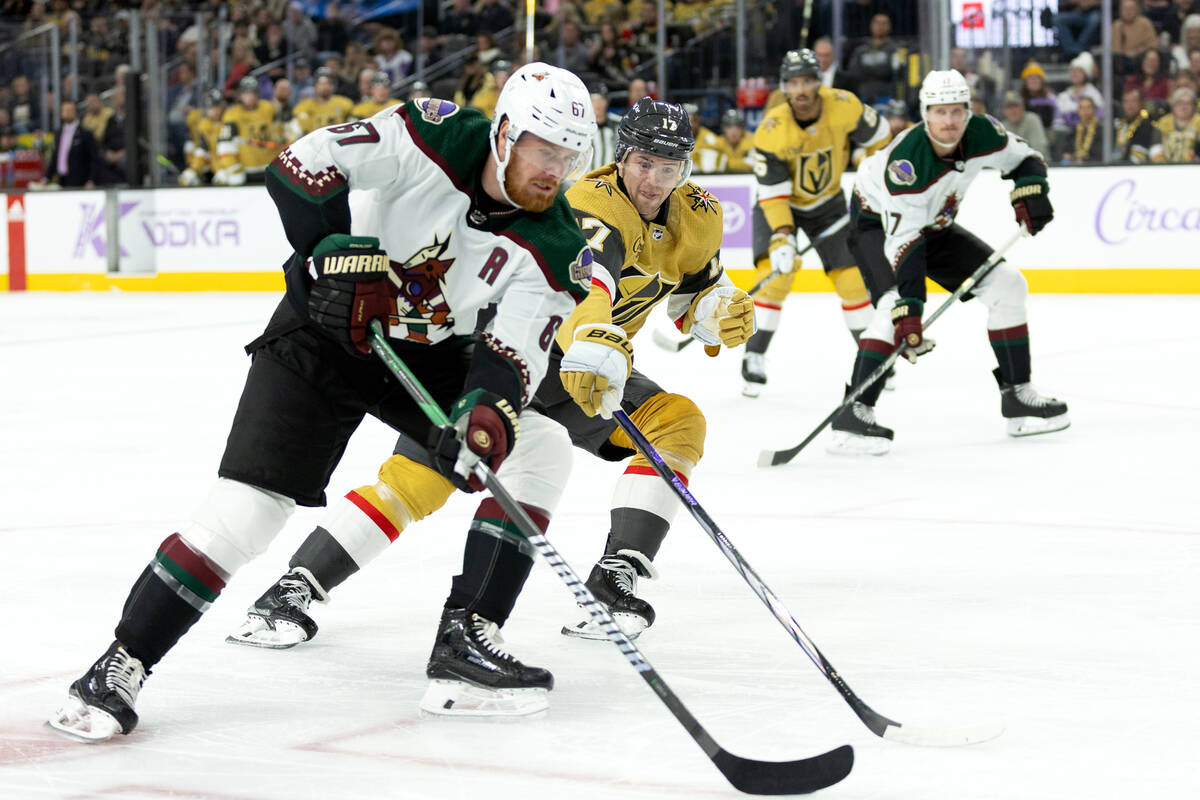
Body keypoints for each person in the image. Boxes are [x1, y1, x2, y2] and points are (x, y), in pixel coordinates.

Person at [47, 62, 598, 741]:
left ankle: (465, 645)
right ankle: (119, 665)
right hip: (320, 334)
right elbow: (301, 165)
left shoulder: (558, 246)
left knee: (537, 444)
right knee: (245, 514)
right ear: (507, 135)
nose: (558, 170)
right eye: (547, 151)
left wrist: (482, 417)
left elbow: (511, 355)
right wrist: (331, 249)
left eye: (570, 157)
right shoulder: (431, 134)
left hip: (424, 357)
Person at [226, 98, 754, 671]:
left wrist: (714, 308)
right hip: (517, 354)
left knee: (677, 423)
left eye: (669, 167)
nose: (654, 179)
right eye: (645, 162)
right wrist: (596, 336)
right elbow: (594, 279)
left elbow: (691, 288)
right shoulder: (590, 203)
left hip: (599, 369)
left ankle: (616, 575)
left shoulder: (698, 215)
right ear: (620, 156)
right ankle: (296, 586)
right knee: (418, 480)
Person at [827, 69, 1068, 455]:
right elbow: (905, 248)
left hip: (933, 223)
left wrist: (1031, 189)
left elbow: (1026, 157)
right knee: (893, 304)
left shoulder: (982, 132)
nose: (949, 122)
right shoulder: (905, 165)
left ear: (968, 111)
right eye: (940, 112)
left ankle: (1018, 396)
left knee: (1008, 286)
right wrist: (911, 313)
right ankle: (854, 413)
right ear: (925, 114)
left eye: (957, 111)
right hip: (877, 225)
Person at [741, 49, 890, 398]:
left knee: (854, 282)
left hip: (829, 204)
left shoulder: (845, 105)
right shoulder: (771, 130)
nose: (802, 89)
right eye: (794, 83)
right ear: (784, 87)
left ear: (818, 82)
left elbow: (882, 136)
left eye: (807, 81)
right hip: (779, 206)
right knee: (773, 279)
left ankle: (874, 357)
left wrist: (873, 172)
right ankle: (753, 356)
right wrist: (782, 236)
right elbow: (774, 195)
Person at [215, 76, 283, 186]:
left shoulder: (269, 108)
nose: (250, 97)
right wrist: (234, 169)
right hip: (247, 171)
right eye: (246, 93)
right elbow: (225, 146)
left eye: (252, 93)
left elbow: (280, 136)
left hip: (271, 169)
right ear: (240, 95)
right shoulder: (232, 115)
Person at [45, 99, 101, 188]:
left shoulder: (85, 133)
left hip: (79, 181)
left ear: (76, 112)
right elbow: (56, 156)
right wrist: (47, 178)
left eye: (69, 110)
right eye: (64, 110)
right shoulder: (58, 133)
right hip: (61, 179)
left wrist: (91, 179)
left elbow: (94, 159)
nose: (66, 113)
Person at [288, 67, 354, 139]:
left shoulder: (343, 103)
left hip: (338, 141)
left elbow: (353, 125)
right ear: (315, 86)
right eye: (321, 84)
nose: (324, 87)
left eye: (327, 83)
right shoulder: (305, 106)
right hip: (314, 143)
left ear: (332, 86)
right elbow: (298, 130)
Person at [1116, 86, 1162, 162]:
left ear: (1142, 104)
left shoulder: (1150, 127)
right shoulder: (1117, 126)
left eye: (1133, 101)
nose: (1129, 106)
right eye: (1126, 101)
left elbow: (1156, 158)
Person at [1153, 86, 1200, 161]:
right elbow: (1155, 149)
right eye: (1180, 103)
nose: (1183, 107)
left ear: (1194, 107)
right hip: (1164, 167)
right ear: (1173, 105)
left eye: (1188, 103)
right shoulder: (1163, 122)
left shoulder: (1198, 122)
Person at [1001, 90, 1050, 158]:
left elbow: (1039, 149)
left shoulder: (1032, 120)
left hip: (1039, 164)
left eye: (1015, 106)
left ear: (1022, 107)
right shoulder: (1002, 127)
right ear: (1004, 111)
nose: (1013, 111)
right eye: (1009, 107)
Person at [1063, 96, 1102, 163]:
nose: (1085, 111)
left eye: (1088, 107)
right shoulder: (1073, 130)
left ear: (1094, 109)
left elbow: (1099, 154)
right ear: (1078, 110)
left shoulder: (1101, 130)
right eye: (1082, 108)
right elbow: (1067, 151)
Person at [716, 108, 754, 172]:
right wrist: (743, 163)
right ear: (724, 129)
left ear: (742, 129)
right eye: (729, 127)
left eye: (737, 127)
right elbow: (714, 166)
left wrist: (726, 163)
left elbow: (754, 166)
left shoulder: (751, 141)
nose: (733, 132)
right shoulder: (718, 142)